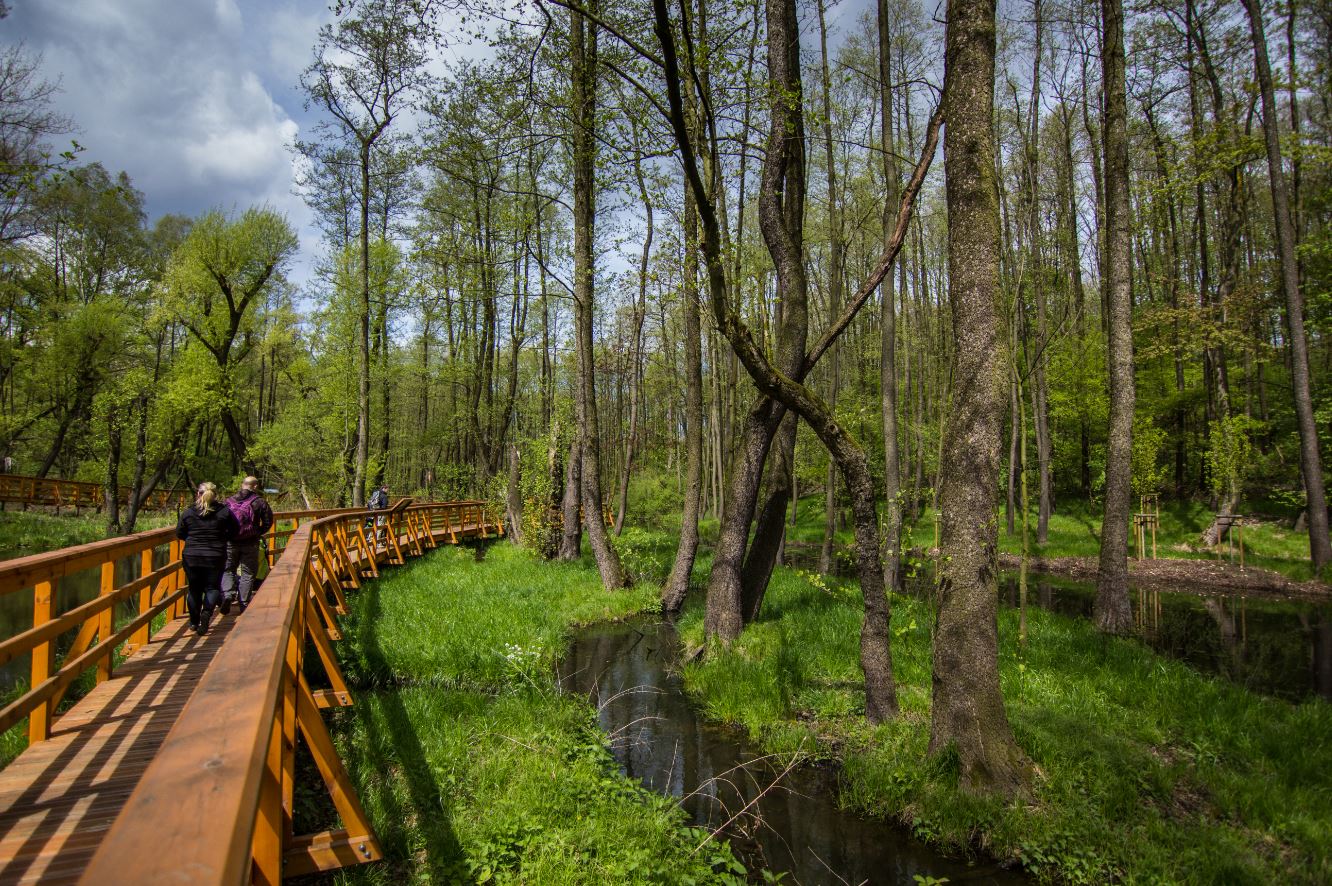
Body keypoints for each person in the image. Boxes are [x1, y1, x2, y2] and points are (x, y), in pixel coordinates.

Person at [175, 481, 238, 636]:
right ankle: (207, 613)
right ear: (215, 495)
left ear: (198, 494)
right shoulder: (224, 511)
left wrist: (192, 540)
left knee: (194, 589)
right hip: (215, 555)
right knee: (212, 587)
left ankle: (194, 622)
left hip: (192, 556)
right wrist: (223, 538)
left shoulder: (189, 512)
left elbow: (179, 533)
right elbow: (235, 529)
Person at [220, 476, 274, 615]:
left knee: (228, 569)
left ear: (242, 484)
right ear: (255, 486)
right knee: (248, 573)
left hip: (231, 542)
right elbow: (268, 521)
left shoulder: (228, 501)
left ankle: (227, 594)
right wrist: (257, 532)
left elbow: (221, 522)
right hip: (250, 543)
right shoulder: (259, 502)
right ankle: (243, 603)